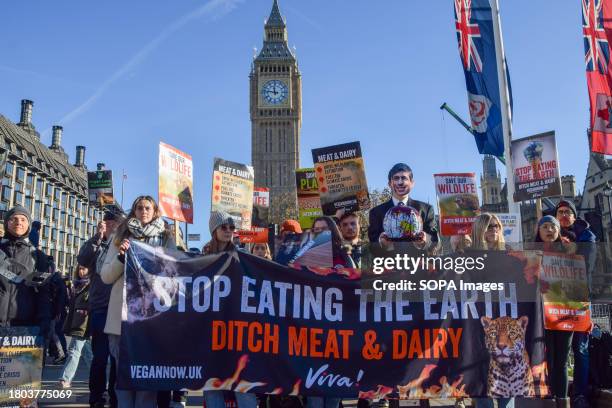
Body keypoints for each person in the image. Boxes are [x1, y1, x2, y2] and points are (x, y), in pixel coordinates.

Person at [101, 196, 175, 408]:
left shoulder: (165, 237)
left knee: (147, 379)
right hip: (121, 318)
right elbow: (106, 276)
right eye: (139, 208)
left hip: (151, 319)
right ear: (134, 211)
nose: (143, 211)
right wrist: (121, 258)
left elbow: (175, 272)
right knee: (123, 378)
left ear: (155, 211)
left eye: (148, 208)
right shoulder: (119, 236)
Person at [202, 211, 257, 408]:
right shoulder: (203, 257)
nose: (228, 231)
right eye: (223, 227)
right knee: (213, 383)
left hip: (238, 331)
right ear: (213, 230)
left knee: (242, 384)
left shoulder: (244, 258)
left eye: (232, 228)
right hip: (210, 331)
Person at [79, 210, 123, 408]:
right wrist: (97, 236)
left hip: (118, 308)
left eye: (117, 223)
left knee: (116, 358)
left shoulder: (121, 243)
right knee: (100, 356)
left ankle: (115, 397)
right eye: (110, 222)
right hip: (99, 307)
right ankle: (96, 396)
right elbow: (83, 259)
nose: (113, 226)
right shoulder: (99, 243)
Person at [554, 200, 595, 408]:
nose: (563, 215)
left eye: (567, 212)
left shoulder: (586, 236)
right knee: (558, 351)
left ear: (574, 215)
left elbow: (586, 266)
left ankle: (579, 394)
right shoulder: (552, 235)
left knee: (580, 349)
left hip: (578, 300)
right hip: (555, 301)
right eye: (559, 212)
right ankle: (557, 393)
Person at [471, 213, 514, 408]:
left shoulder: (511, 254)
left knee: (507, 369)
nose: (494, 230)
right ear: (480, 229)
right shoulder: (469, 256)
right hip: (478, 322)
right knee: (480, 370)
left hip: (505, 321)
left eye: (496, 226)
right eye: (489, 226)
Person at [535, 215, 573, 408]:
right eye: (545, 227)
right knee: (546, 359)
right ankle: (548, 400)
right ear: (539, 232)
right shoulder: (532, 255)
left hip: (565, 314)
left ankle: (562, 400)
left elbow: (580, 286)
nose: (550, 230)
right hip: (542, 315)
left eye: (553, 227)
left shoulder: (570, 253)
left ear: (559, 231)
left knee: (562, 360)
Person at [0, 205, 51, 340]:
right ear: (6, 223)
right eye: (14, 219)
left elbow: (43, 293)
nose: (18, 223)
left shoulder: (38, 256)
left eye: (23, 219)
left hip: (24, 330)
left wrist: (45, 319)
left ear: (28, 224)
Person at [368, 163, 439, 253]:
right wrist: (381, 243)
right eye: (396, 178)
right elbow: (371, 246)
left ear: (412, 183)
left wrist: (425, 240)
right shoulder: (376, 212)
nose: (400, 182)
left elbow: (435, 241)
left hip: (418, 264)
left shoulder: (426, 209)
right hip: (388, 264)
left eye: (404, 178)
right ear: (389, 184)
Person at [59, 264, 93, 388]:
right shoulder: (78, 285)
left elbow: (91, 303)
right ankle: (97, 378)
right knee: (87, 353)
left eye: (84, 268)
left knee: (74, 350)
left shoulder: (91, 285)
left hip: (83, 323)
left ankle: (66, 379)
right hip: (76, 322)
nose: (80, 271)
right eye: (79, 268)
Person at [48, 257, 69, 364]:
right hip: (57, 311)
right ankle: (60, 353)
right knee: (56, 333)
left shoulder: (57, 281)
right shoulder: (57, 280)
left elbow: (61, 298)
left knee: (56, 333)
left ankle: (62, 354)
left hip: (57, 312)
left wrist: (58, 312)